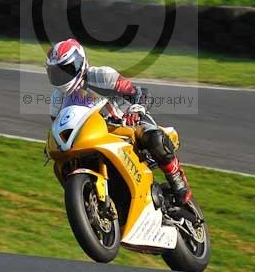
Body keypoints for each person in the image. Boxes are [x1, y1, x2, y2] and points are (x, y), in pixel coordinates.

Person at [46, 38, 193, 204]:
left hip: (125, 125)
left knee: (155, 139)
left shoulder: (102, 76)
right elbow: (58, 127)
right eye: (56, 73)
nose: (61, 77)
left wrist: (136, 110)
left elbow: (140, 93)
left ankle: (177, 179)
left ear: (79, 63)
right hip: (92, 138)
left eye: (65, 70)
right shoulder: (57, 100)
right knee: (63, 164)